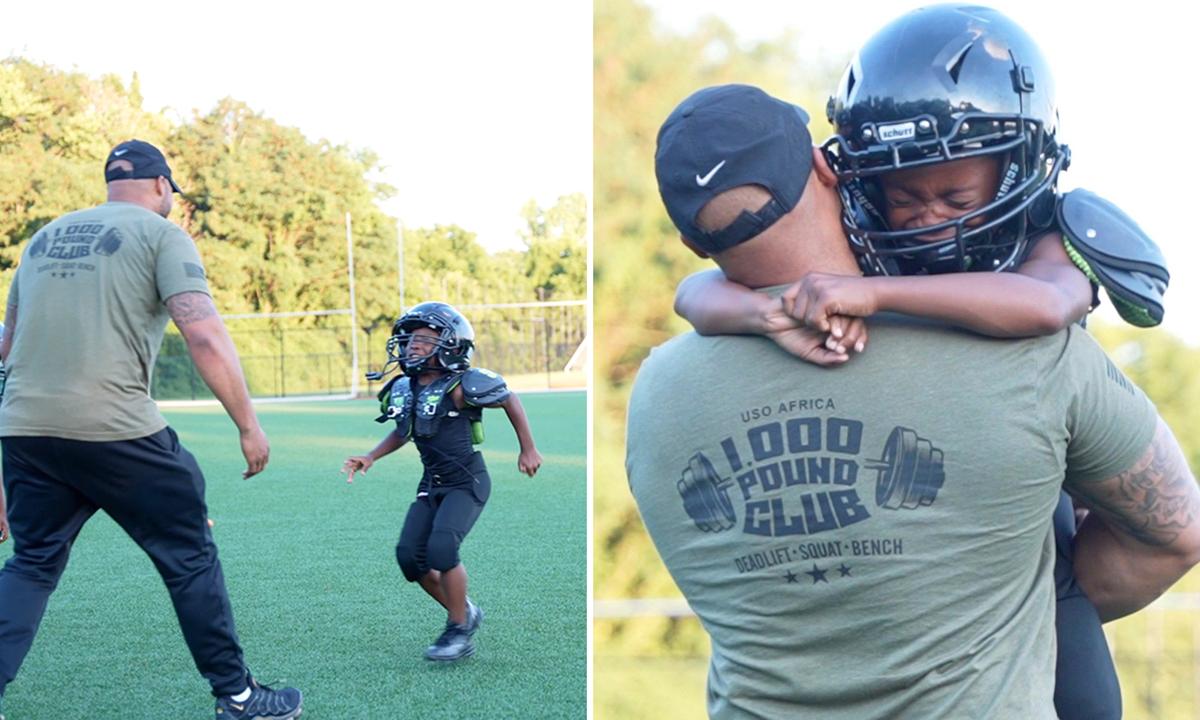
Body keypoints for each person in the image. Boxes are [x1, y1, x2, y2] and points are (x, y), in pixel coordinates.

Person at [628, 83, 1200, 718]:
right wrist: (1029, 605)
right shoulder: (1027, 350)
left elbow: (695, 293)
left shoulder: (652, 392)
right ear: (826, 166)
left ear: (692, 242)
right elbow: (1176, 536)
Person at [0, 140, 303, 720]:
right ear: (162, 187)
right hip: (116, 429)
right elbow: (204, 335)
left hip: (26, 430)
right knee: (189, 556)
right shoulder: (162, 234)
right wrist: (248, 424)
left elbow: (7, 350)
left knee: (33, 564)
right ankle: (238, 696)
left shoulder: (41, 240)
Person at [342, 301, 542, 662]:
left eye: (424, 338)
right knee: (409, 558)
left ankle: (458, 630)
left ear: (451, 345)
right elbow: (404, 431)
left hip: (467, 482)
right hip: (431, 484)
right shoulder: (403, 387)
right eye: (409, 339)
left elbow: (509, 399)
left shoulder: (462, 385)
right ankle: (464, 610)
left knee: (442, 549)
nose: (413, 345)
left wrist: (527, 448)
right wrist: (370, 456)